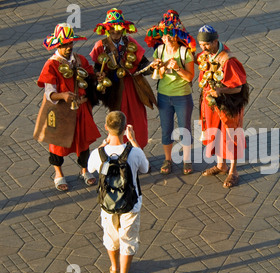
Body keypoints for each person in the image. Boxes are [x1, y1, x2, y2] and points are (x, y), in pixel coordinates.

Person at [87, 111, 149, 273]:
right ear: (125, 129)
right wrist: (134, 141)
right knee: (128, 240)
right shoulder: (134, 152)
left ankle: (114, 269)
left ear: (106, 127)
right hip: (131, 204)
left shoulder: (98, 154)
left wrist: (102, 145)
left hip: (107, 205)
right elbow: (145, 168)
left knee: (110, 237)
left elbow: (91, 169)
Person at [36, 23, 101, 191]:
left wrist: (97, 78)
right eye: (64, 45)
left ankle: (85, 170)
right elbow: (49, 93)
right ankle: (58, 173)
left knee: (83, 141)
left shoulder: (80, 59)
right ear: (58, 45)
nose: (67, 48)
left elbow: (89, 76)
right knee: (57, 144)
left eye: (70, 44)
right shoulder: (51, 65)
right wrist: (63, 95)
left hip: (81, 108)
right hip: (60, 111)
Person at [90, 8, 155, 149]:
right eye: (112, 30)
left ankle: (138, 152)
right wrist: (98, 75)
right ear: (107, 30)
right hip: (114, 90)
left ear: (123, 30)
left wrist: (152, 66)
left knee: (138, 120)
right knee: (117, 122)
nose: (115, 33)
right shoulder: (101, 46)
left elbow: (142, 64)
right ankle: (120, 153)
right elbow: (96, 68)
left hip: (132, 87)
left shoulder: (130, 42)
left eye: (118, 30)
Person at [196, 25, 249, 188]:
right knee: (215, 134)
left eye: (206, 44)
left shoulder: (228, 60)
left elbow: (239, 87)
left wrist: (220, 90)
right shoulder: (205, 56)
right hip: (210, 103)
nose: (203, 48)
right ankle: (221, 165)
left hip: (228, 106)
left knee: (230, 136)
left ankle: (233, 171)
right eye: (201, 44)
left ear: (215, 41)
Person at [145, 10, 196, 175]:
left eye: (170, 36)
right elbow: (156, 74)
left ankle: (187, 160)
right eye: (164, 36)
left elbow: (190, 77)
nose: (166, 39)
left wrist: (178, 69)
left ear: (177, 36)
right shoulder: (159, 51)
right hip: (164, 96)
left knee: (184, 129)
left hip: (182, 96)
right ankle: (168, 159)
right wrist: (156, 66)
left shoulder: (184, 53)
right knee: (166, 130)